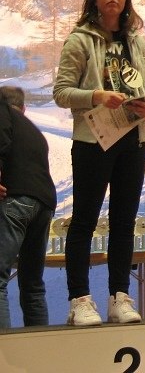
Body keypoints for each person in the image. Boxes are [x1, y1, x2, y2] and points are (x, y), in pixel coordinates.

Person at [53, 0, 145, 326]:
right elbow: (61, 93)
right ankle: (80, 300)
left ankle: (120, 296)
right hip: (93, 141)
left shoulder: (137, 42)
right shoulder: (79, 40)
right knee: (84, 220)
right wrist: (97, 96)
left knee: (123, 221)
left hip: (133, 139)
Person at [0, 86, 56, 328]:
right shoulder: (35, 132)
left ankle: (3, 346)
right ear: (23, 107)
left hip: (15, 200)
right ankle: (39, 344)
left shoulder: (3, 114)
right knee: (33, 284)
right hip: (44, 205)